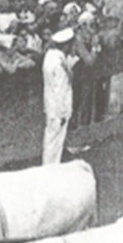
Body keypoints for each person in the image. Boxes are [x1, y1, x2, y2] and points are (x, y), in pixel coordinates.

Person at [42, 27, 77, 165]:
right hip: (57, 108)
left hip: (51, 106)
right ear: (66, 45)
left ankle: (50, 169)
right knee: (54, 142)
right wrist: (62, 112)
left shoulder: (50, 56)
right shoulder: (59, 63)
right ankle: (50, 171)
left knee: (52, 140)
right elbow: (60, 89)